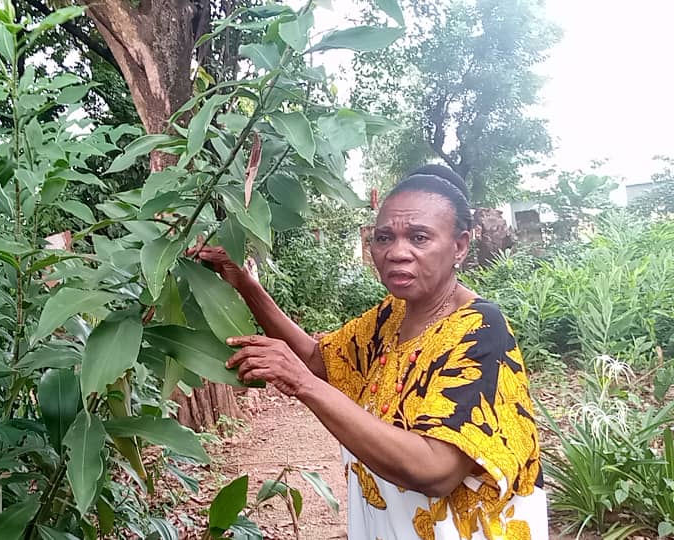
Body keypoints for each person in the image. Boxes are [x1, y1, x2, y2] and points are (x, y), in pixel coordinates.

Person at [189, 165, 547, 539]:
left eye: (420, 237)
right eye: (384, 237)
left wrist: (302, 385)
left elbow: (435, 470)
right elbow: (319, 361)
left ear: (459, 245)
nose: (397, 252)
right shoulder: (391, 317)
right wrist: (245, 283)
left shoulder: (479, 331)